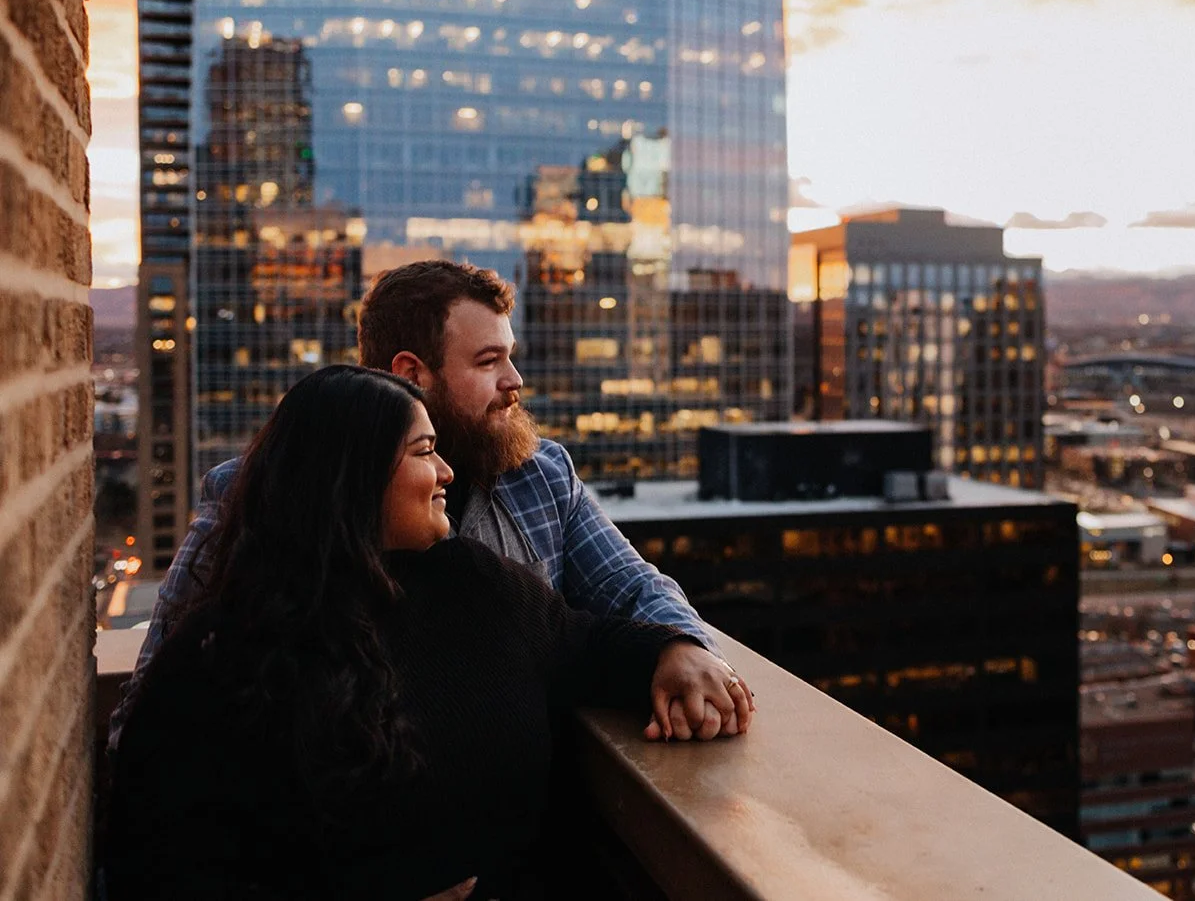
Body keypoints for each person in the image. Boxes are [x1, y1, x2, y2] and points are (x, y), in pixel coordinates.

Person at [104, 366, 749, 899]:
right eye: (423, 453)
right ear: (351, 477)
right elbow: (157, 863)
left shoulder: (473, 583)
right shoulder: (224, 661)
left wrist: (672, 651)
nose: (446, 472)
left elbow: (583, 642)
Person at [112, 260, 750, 745]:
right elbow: (152, 710)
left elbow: (632, 590)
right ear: (412, 373)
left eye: (512, 357)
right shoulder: (259, 491)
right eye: (489, 360)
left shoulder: (540, 475)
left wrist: (680, 645)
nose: (515, 382)